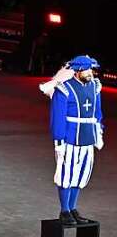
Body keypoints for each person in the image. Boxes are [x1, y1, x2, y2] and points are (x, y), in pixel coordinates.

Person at [41, 55, 105, 226]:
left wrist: (98, 132)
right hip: (69, 138)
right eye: (87, 69)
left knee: (81, 174)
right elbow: (58, 117)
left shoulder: (95, 87)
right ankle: (65, 210)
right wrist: (59, 140)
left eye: (91, 69)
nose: (91, 72)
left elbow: (97, 113)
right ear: (77, 71)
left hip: (87, 137)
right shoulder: (64, 89)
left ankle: (73, 208)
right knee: (66, 174)